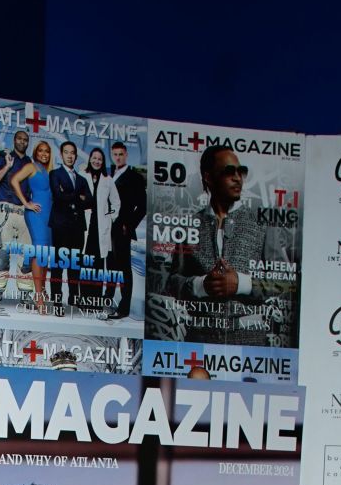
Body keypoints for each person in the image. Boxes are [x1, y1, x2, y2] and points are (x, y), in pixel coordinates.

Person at [166, 146, 270, 343]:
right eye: (229, 172)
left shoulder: (262, 224)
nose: (238, 178)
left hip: (249, 341)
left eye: (241, 171)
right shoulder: (190, 225)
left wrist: (242, 284)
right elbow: (172, 282)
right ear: (208, 177)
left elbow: (284, 284)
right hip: (199, 339)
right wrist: (201, 285)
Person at [0, 129, 35, 307]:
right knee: (2, 256)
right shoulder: (3, 158)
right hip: (5, 212)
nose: (22, 142)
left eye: (25, 139)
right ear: (14, 140)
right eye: (19, 138)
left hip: (24, 214)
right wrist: (7, 166)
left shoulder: (30, 164)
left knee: (27, 257)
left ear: (28, 143)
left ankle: (26, 294)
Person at [9, 141, 53, 312]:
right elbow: (14, 180)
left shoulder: (48, 170)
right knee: (38, 252)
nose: (44, 154)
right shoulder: (31, 167)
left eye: (47, 151)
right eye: (41, 150)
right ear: (35, 153)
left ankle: (42, 289)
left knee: (45, 254)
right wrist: (26, 203)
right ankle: (38, 296)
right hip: (36, 215)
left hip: (49, 215)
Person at [48, 142, 91, 313]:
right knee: (58, 266)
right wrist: (78, 197)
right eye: (66, 152)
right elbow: (58, 196)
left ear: (76, 156)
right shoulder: (55, 174)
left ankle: (74, 298)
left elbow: (90, 201)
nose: (70, 156)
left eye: (72, 153)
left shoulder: (82, 179)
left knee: (75, 266)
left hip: (78, 227)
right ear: (61, 154)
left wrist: (69, 195)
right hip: (60, 226)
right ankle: (57, 302)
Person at [106, 143, 147, 321]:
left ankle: (124, 308)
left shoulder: (134, 177)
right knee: (110, 266)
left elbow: (143, 206)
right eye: (115, 154)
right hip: (106, 227)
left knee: (123, 269)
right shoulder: (108, 174)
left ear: (126, 155)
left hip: (122, 229)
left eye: (121, 154)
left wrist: (128, 225)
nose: (118, 157)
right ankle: (107, 300)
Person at [80, 147, 120, 312]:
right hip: (85, 227)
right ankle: (84, 300)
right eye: (94, 158)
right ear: (90, 159)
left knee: (97, 266)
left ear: (103, 162)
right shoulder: (82, 176)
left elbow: (116, 203)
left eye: (100, 159)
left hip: (100, 229)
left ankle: (95, 302)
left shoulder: (108, 180)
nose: (96, 161)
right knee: (85, 265)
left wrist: (110, 217)